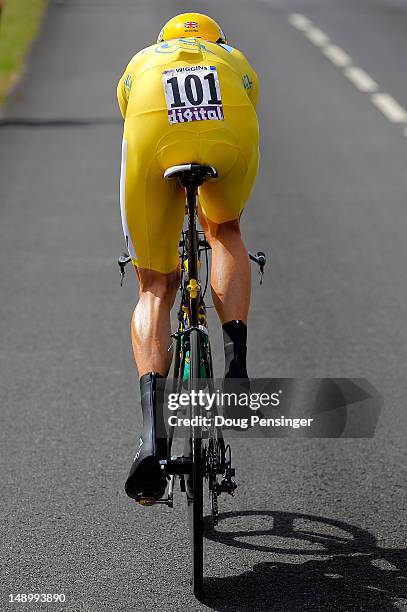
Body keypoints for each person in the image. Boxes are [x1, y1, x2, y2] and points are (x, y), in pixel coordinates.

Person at [117, 12, 259, 503]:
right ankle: (236, 359)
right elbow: (251, 103)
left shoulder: (142, 61)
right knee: (223, 230)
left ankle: (152, 436)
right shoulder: (233, 58)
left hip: (154, 131)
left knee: (155, 283)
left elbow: (127, 112)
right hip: (228, 129)